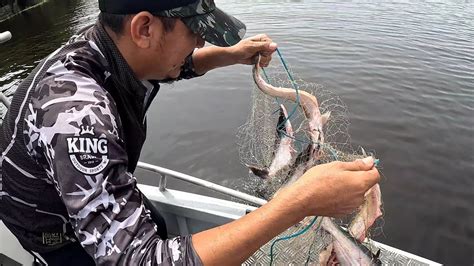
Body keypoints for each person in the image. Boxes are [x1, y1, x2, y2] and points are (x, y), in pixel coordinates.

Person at [0, 0, 380, 265]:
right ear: (145, 27)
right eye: (196, 30)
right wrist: (296, 202)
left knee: (161, 226)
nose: (202, 41)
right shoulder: (78, 114)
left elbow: (168, 62)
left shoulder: (110, 44)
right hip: (56, 227)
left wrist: (230, 55)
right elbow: (139, 259)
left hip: (84, 188)